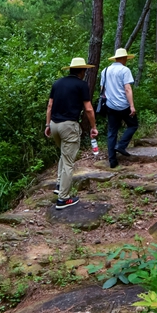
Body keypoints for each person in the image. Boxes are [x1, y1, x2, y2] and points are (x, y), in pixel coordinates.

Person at [45, 57, 99, 209]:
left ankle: (59, 184)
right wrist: (93, 127)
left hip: (54, 125)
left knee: (64, 155)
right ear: (81, 71)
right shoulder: (81, 85)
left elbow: (50, 105)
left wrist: (47, 124)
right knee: (69, 162)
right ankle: (63, 199)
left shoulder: (57, 83)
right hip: (69, 126)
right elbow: (88, 108)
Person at [101, 48, 138, 168]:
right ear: (123, 58)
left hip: (110, 105)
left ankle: (112, 161)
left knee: (112, 132)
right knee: (133, 125)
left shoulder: (105, 70)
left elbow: (103, 89)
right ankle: (121, 145)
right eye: (126, 58)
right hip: (123, 105)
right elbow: (127, 89)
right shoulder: (124, 70)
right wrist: (131, 106)